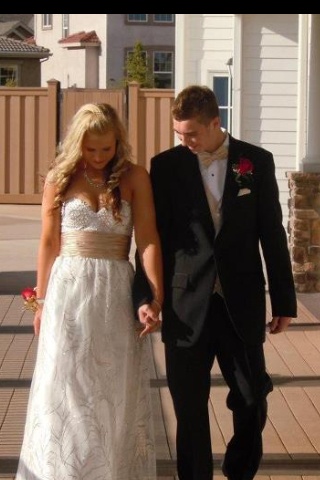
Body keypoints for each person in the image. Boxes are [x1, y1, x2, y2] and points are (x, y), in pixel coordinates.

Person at [133, 85, 297, 480]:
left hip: (240, 302)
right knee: (189, 409)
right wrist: (147, 295)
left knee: (252, 398)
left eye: (191, 133)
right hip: (185, 305)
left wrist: (285, 302)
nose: (185, 141)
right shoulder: (166, 166)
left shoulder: (256, 162)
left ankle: (239, 471)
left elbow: (272, 234)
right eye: (178, 134)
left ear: (215, 122)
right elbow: (153, 237)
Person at [16, 102, 163, 480]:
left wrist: (155, 296)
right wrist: (41, 304)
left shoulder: (135, 177)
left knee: (112, 387)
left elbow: (147, 239)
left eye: (107, 148)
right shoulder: (59, 179)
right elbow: (48, 243)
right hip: (68, 291)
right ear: (77, 144)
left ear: (119, 142)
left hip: (115, 291)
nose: (98, 157)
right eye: (90, 149)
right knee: (67, 386)